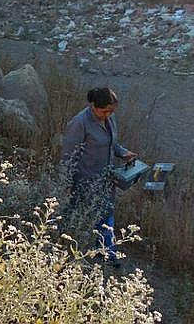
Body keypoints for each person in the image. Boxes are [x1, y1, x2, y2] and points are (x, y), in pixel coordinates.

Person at [61, 88, 137, 266]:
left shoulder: (109, 118)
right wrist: (66, 183)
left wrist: (124, 153)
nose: (108, 115)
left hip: (106, 178)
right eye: (105, 111)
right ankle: (65, 250)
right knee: (76, 215)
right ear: (93, 106)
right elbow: (68, 156)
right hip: (84, 181)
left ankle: (107, 253)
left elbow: (111, 144)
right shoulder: (80, 123)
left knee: (106, 213)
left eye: (111, 111)